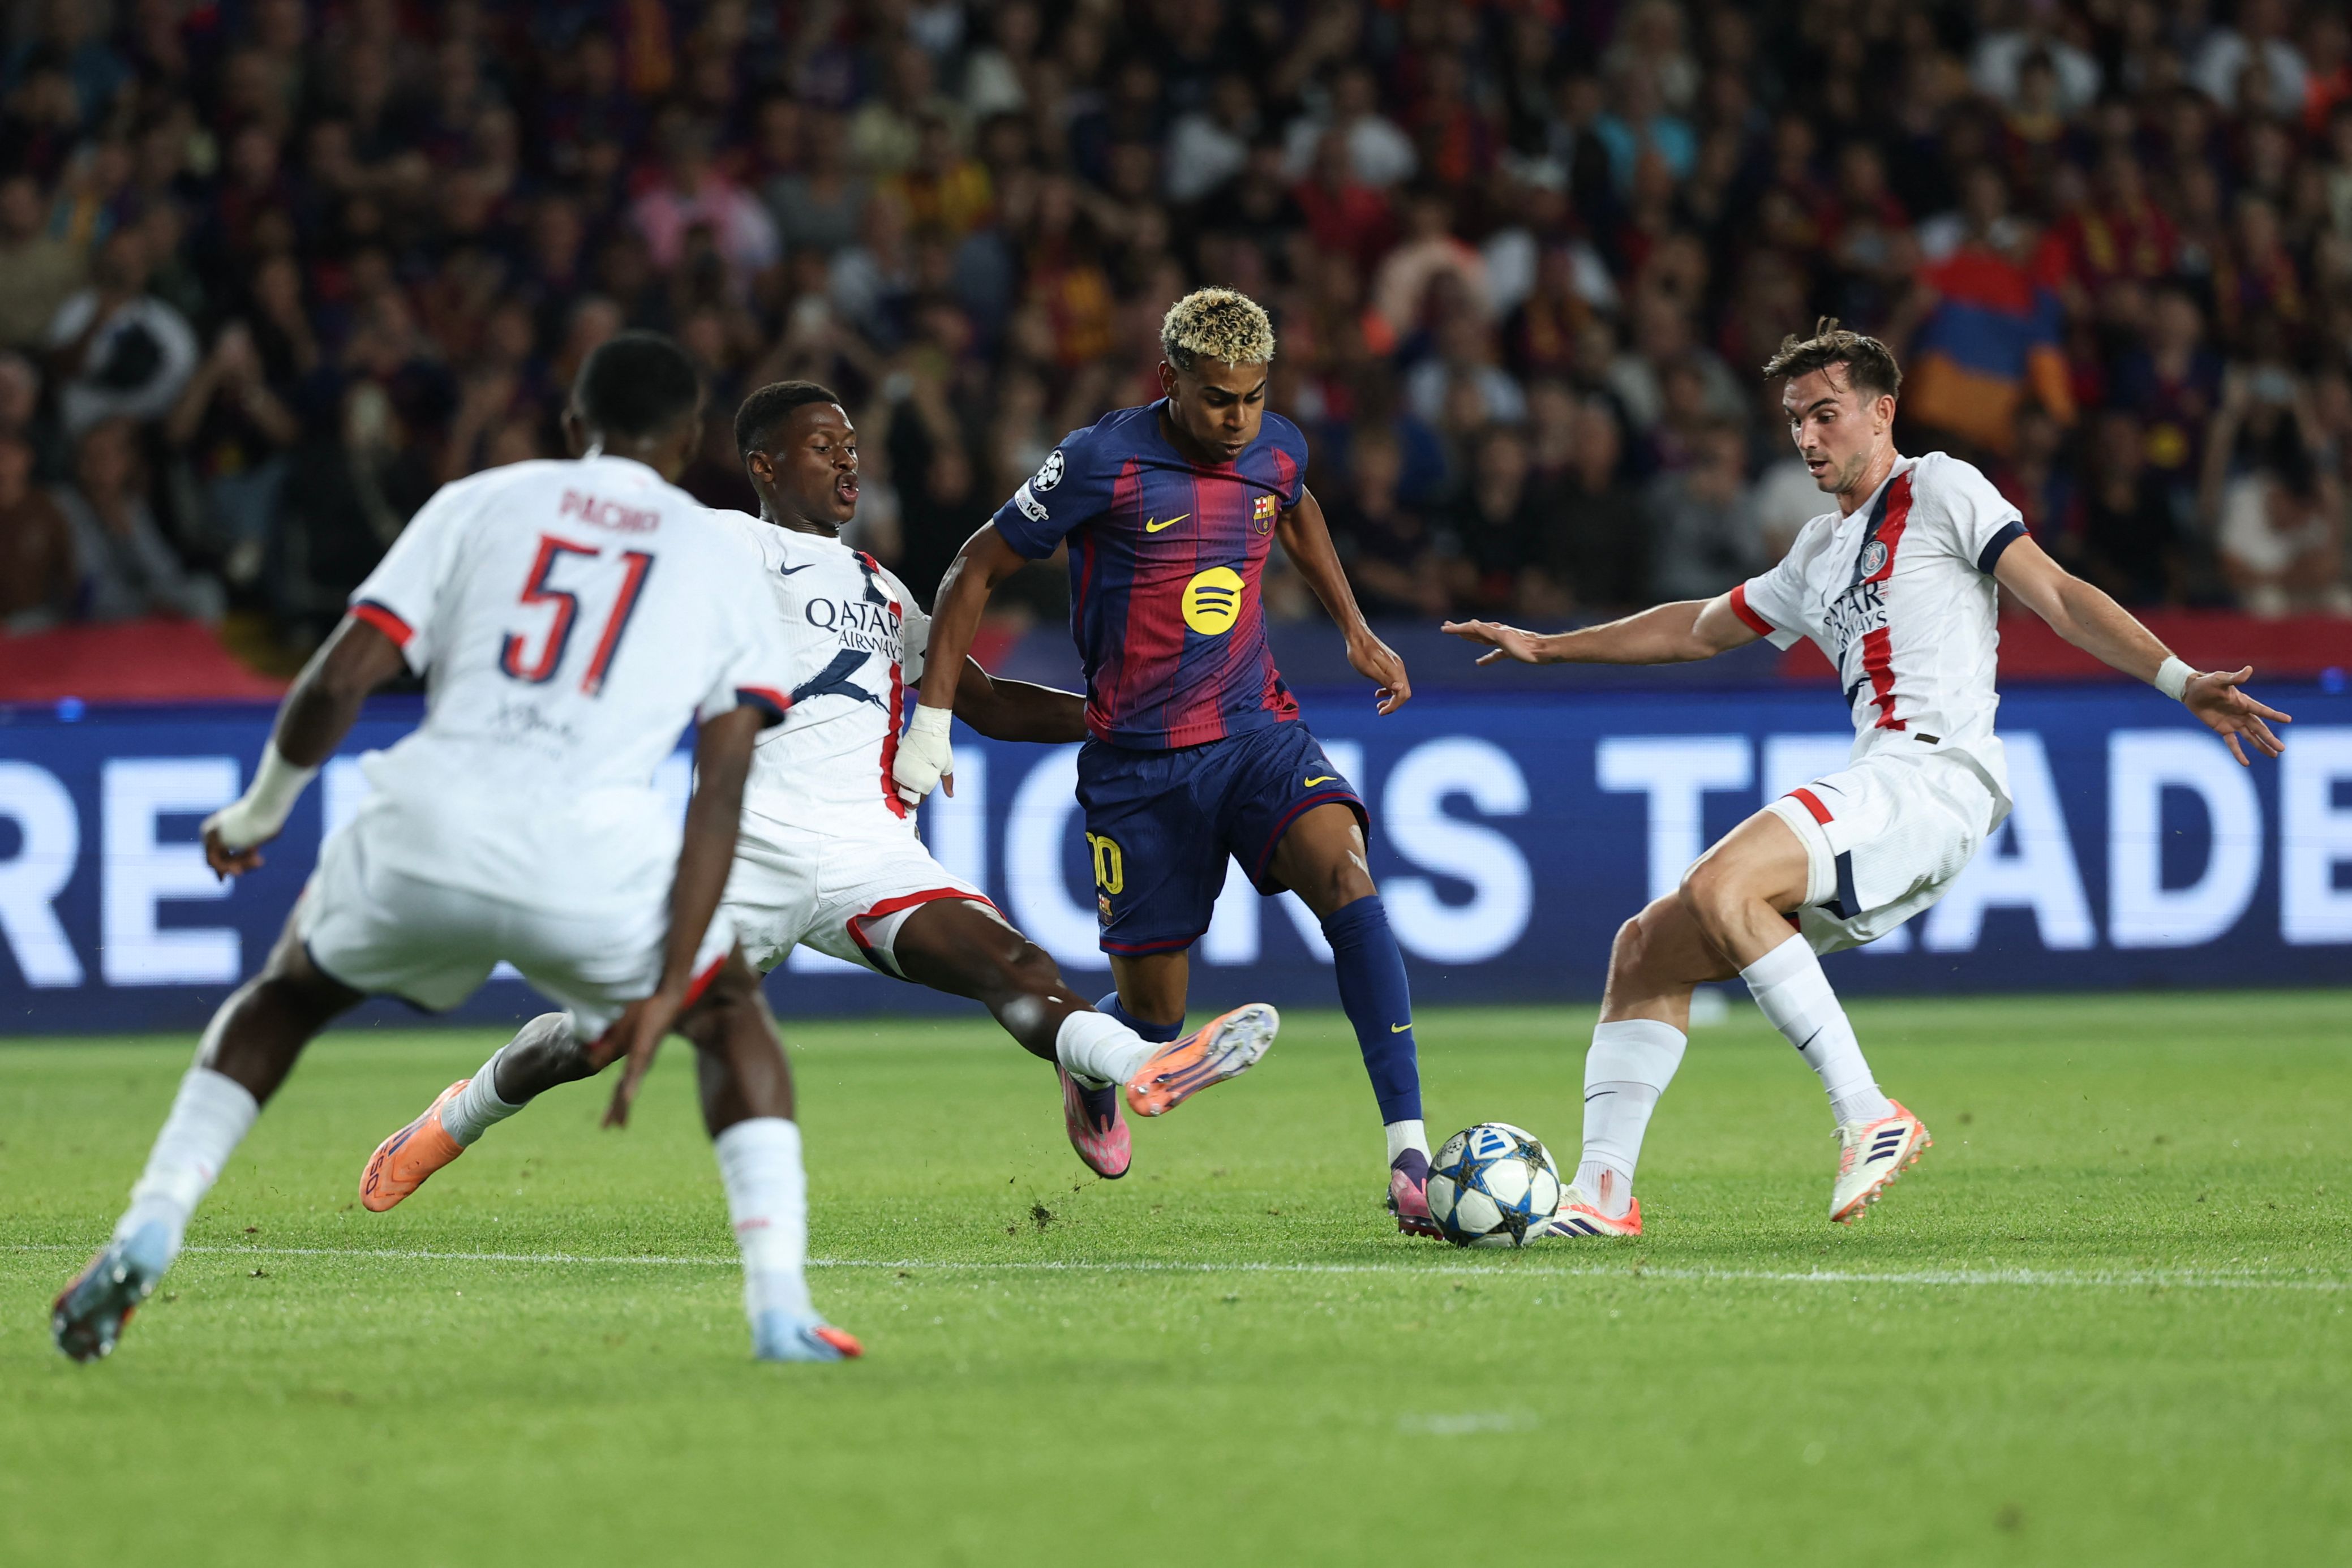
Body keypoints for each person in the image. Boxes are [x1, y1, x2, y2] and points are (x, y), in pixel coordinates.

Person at [53, 334, 861, 1366]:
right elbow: (725, 780)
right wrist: (677, 977)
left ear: (575, 426)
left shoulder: (481, 501)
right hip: (591, 856)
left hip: (429, 822)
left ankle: (152, 1223)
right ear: (688, 441)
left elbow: (341, 677)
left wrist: (256, 815)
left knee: (286, 997)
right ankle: (780, 1307)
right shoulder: (718, 556)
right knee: (734, 1021)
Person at [1445, 319, 2288, 1236]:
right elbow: (1698, 628)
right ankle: (1604, 1194)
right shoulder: (1818, 550)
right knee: (1646, 948)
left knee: (1723, 883)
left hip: (1933, 774)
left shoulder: (1940, 487)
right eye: (1795, 419)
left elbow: (2055, 595)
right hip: (1884, 785)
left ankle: (1868, 1113)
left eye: (1826, 414)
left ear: (1883, 412)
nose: (1807, 437)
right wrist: (1550, 648)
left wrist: (2180, 680)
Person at [360, 381, 1277, 1205]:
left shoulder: (884, 589)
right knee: (597, 1037)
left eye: (851, 445)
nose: (848, 461)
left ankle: (1145, 1064)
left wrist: (1122, 719)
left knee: (1013, 967)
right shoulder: (733, 543)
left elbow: (988, 702)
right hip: (745, 855)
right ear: (764, 466)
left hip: (868, 857)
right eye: (822, 446)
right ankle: (458, 1116)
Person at [898, 287, 1443, 1237]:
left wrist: (1355, 628)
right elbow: (974, 567)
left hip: (1257, 733)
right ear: (1171, 381)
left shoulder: (1277, 449)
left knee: (1349, 882)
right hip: (1140, 770)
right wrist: (934, 720)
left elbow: (1296, 507)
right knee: (1154, 1017)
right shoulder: (1100, 461)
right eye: (1218, 399)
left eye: (1254, 398)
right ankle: (1093, 1062)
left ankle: (1409, 1153)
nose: (1238, 421)